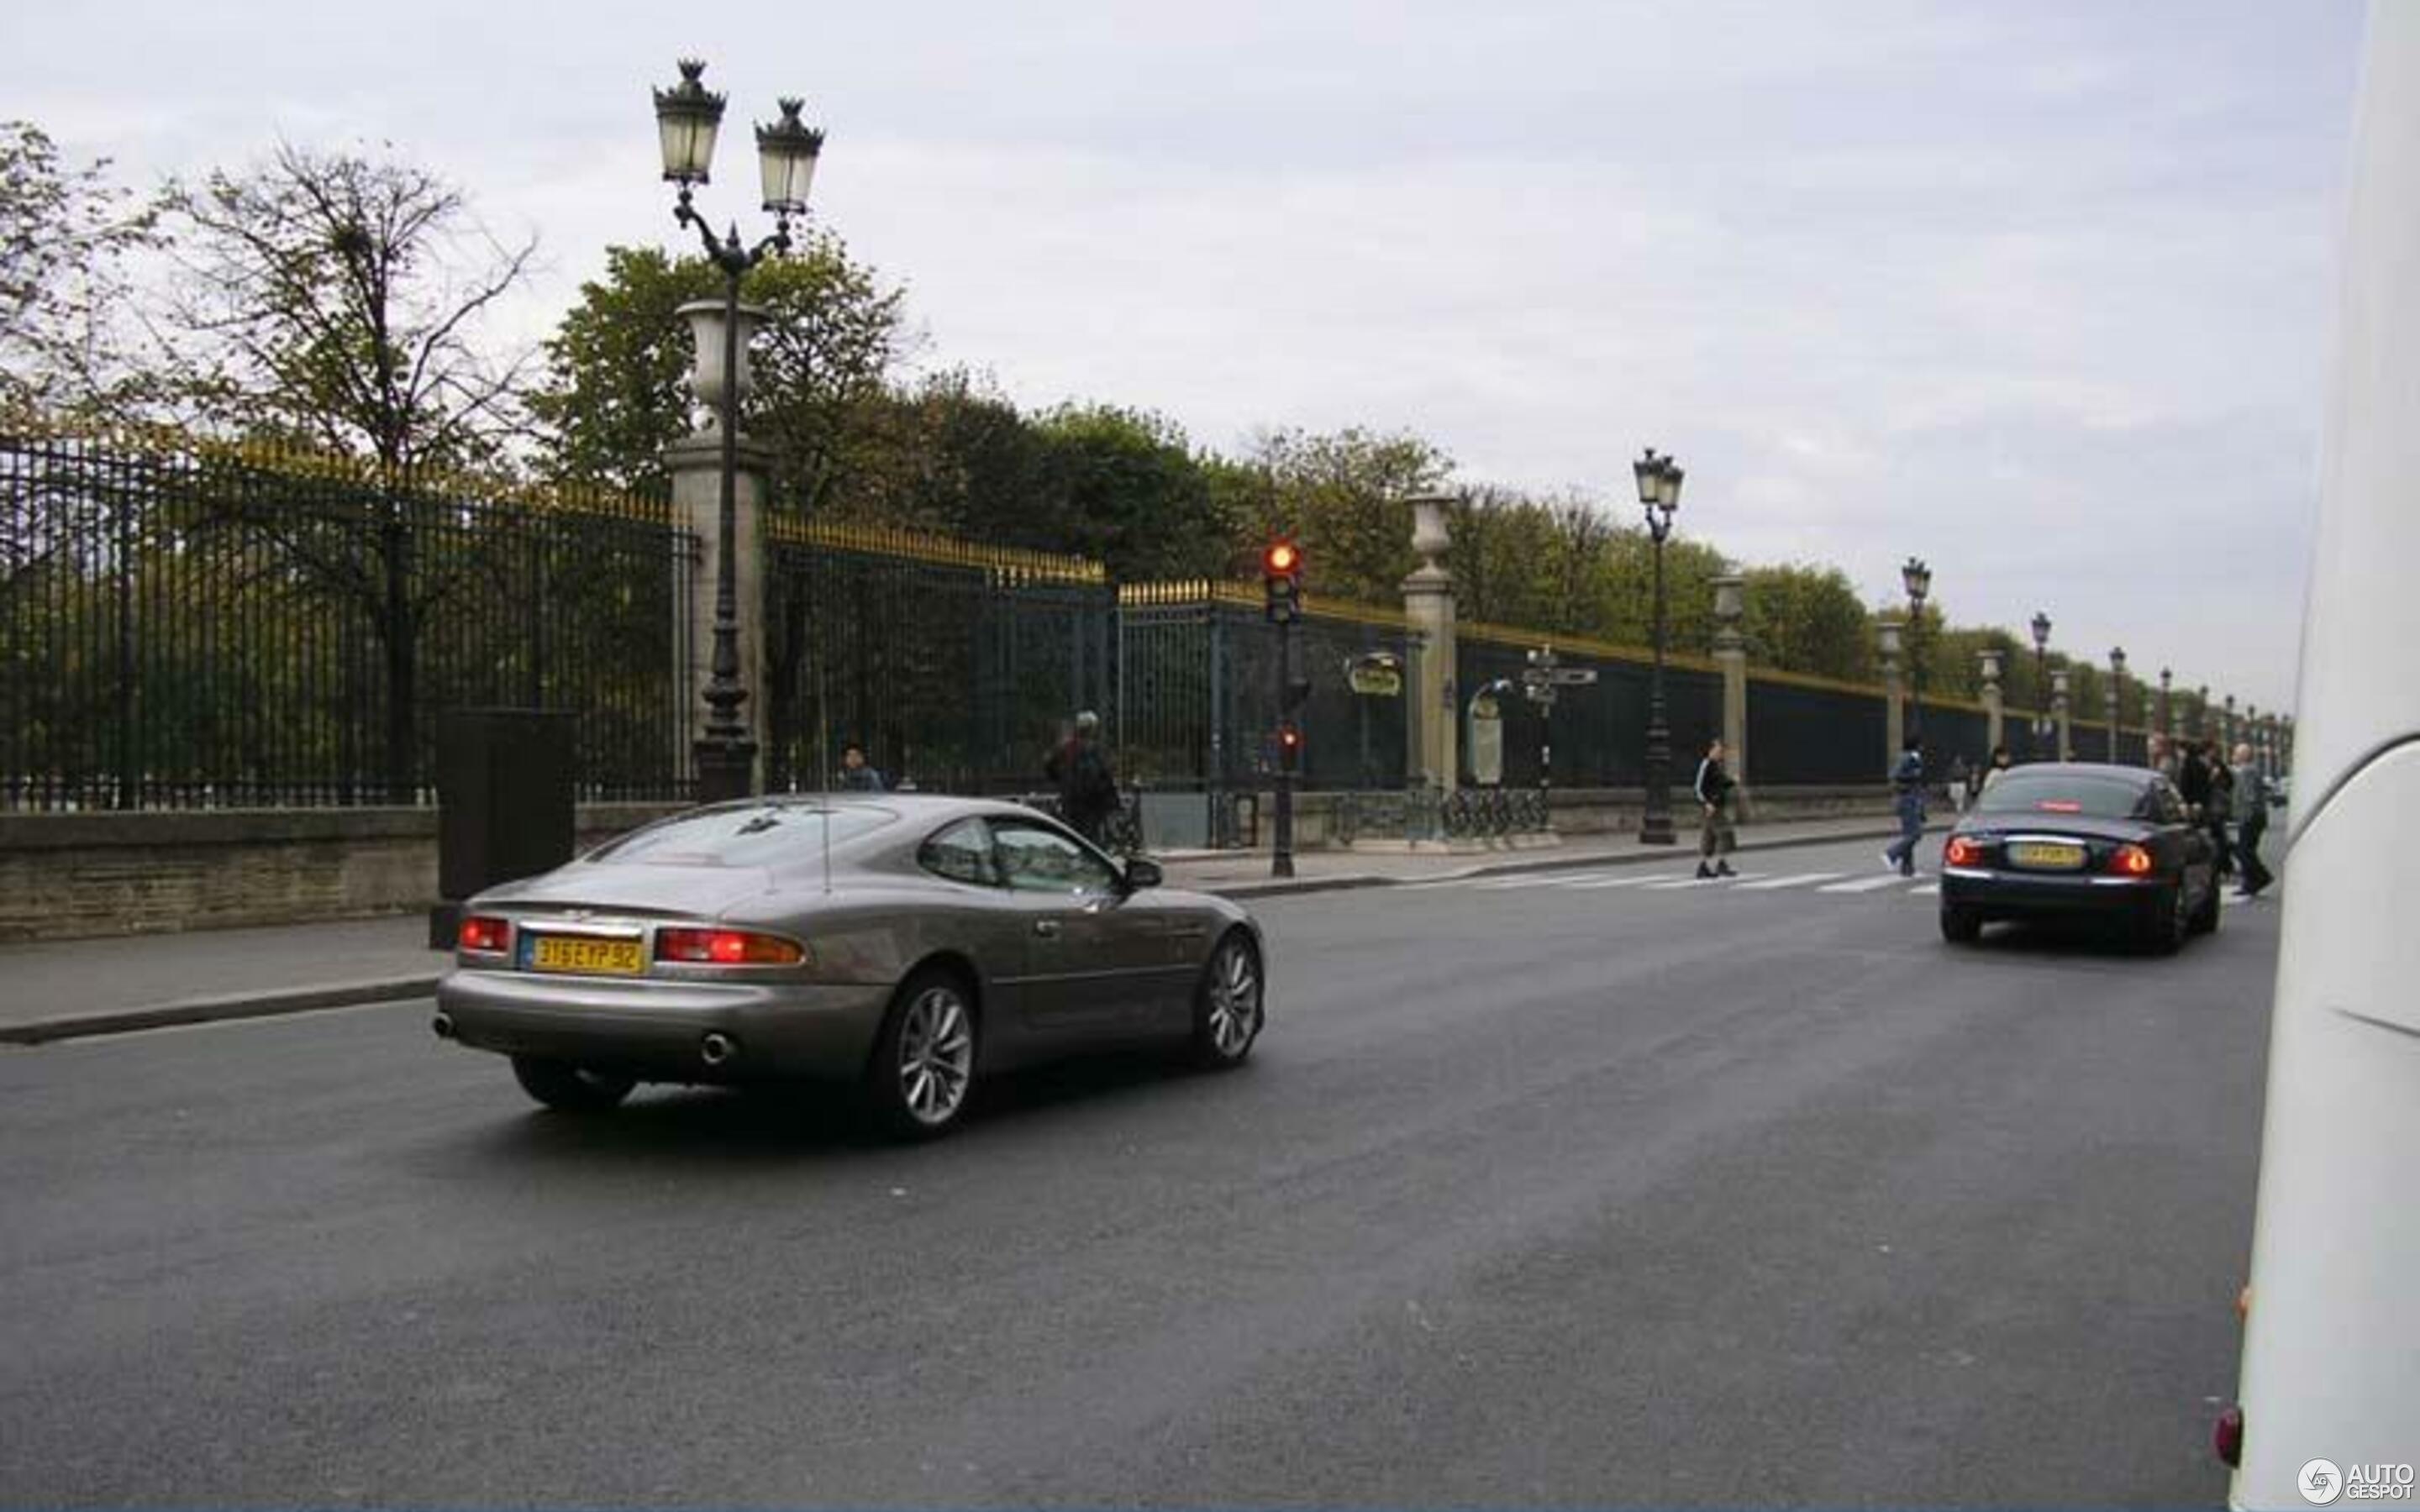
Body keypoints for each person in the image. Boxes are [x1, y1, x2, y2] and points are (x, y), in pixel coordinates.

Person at [1044, 710, 1119, 847]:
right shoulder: (1094, 750)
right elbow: (1104, 776)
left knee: (1073, 838)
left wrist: (1062, 782)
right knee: (1090, 842)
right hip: (1091, 804)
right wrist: (1112, 800)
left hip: (1070, 801)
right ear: (1092, 729)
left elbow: (1049, 767)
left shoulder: (1065, 747)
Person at [2231, 743, 2275, 900]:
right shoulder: (2251, 770)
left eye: (2236, 753)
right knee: (2247, 851)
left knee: (2245, 851)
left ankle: (2260, 878)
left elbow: (2250, 796)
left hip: (2250, 816)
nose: (2233, 756)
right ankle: (2251, 883)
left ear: (2243, 756)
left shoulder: (2247, 771)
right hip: (2255, 816)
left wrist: (2245, 816)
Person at [1692, 737, 1739, 879]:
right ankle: (1721, 864)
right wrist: (1706, 804)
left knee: (1709, 837)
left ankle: (1703, 867)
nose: (1720, 753)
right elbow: (1698, 788)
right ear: (1710, 750)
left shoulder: (1715, 765)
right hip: (1711, 808)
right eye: (1718, 750)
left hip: (1716, 806)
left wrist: (1732, 782)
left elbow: (1721, 785)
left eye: (1721, 751)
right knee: (1725, 832)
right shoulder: (1706, 764)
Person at [1882, 733, 1926, 877]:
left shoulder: (1908, 757)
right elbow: (1894, 775)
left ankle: (1907, 868)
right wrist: (1914, 775)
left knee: (1909, 834)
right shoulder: (1910, 757)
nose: (1923, 747)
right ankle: (1891, 854)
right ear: (1917, 745)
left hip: (1909, 799)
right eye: (1921, 744)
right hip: (1908, 800)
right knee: (1916, 834)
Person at [2207, 744, 2237, 879]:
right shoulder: (2221, 767)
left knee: (2218, 839)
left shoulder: (2217, 768)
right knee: (2220, 838)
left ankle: (2224, 866)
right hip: (2218, 807)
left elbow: (2213, 784)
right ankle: (2226, 866)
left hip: (2216, 807)